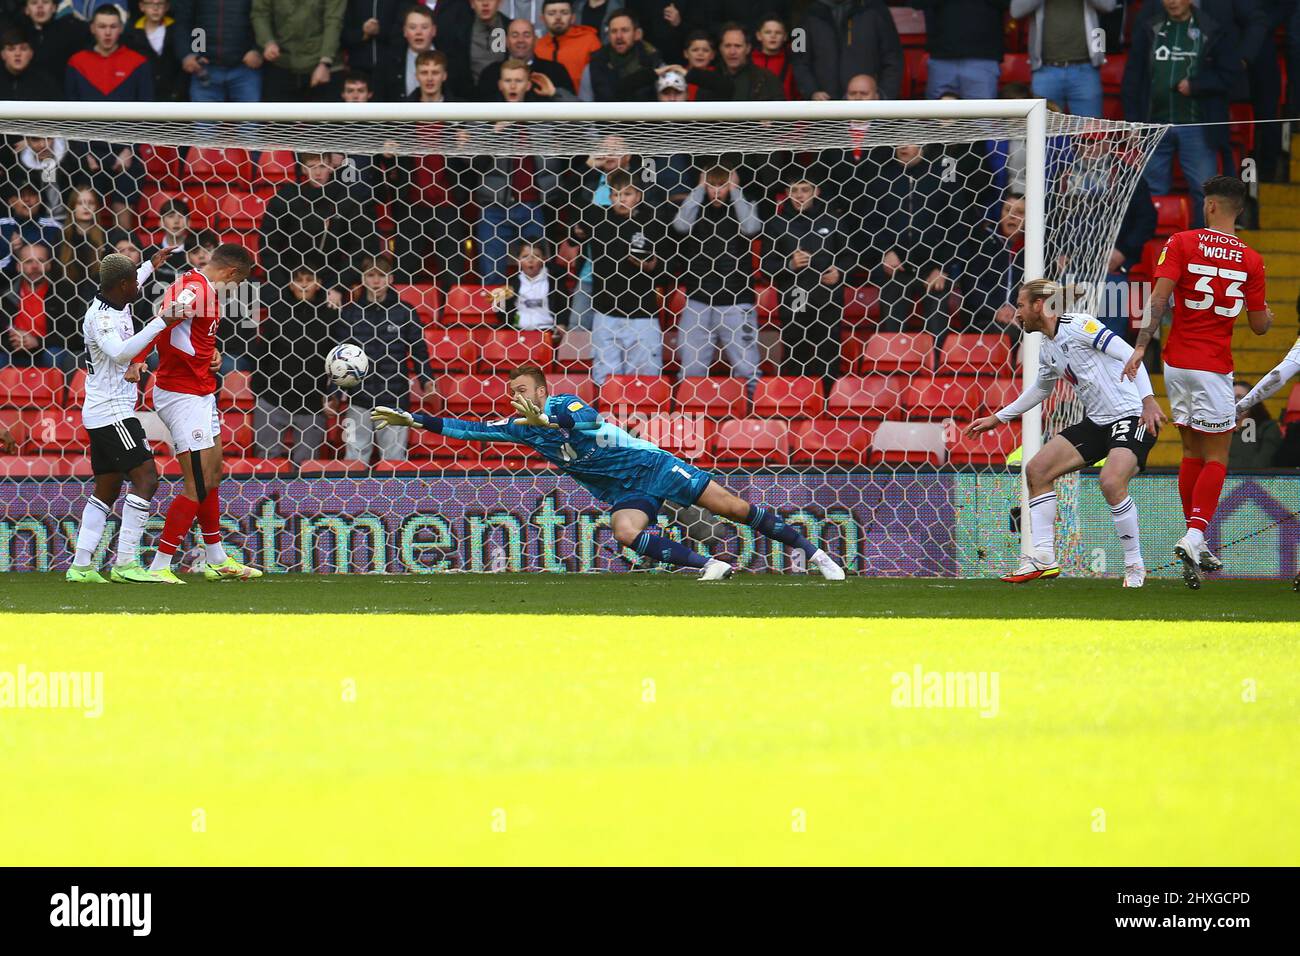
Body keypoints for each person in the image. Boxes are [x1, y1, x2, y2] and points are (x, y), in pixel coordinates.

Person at [370, 364, 847, 579]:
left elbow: (588, 421)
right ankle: (712, 566)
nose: (513, 395)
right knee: (624, 530)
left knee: (735, 508)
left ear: (539, 390)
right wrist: (415, 419)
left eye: (520, 388)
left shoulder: (561, 403)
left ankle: (815, 554)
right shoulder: (520, 428)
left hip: (652, 467)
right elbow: (468, 430)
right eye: (509, 389)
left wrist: (548, 419)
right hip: (623, 488)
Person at [1121, 176, 1270, 589]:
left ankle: (1196, 538)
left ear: (1209, 207)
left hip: (1176, 362)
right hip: (1213, 365)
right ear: (1238, 210)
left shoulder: (1182, 242)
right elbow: (1259, 327)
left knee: (1191, 449)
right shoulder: (1252, 260)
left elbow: (1158, 299)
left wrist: (1140, 346)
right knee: (1218, 454)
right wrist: (1269, 316)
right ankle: (1196, 533)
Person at [969, 281, 1163, 587]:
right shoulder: (1047, 349)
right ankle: (1044, 558)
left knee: (1111, 481)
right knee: (1037, 469)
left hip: (1133, 414)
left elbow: (1129, 352)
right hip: (1098, 422)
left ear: (1037, 306)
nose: (1016, 314)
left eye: (1019, 306)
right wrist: (998, 417)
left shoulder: (1081, 325)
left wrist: (1148, 401)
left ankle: (1134, 565)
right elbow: (1040, 390)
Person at [135, 242, 263, 583]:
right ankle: (160, 565)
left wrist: (210, 350)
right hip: (181, 395)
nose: (236, 289)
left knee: (213, 476)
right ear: (232, 274)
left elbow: (187, 331)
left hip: (201, 390)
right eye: (239, 283)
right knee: (197, 484)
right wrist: (137, 359)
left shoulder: (195, 282)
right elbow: (165, 320)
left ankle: (217, 558)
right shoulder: (196, 291)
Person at [66, 248, 186, 584]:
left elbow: (130, 282)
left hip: (105, 411)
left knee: (107, 488)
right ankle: (126, 562)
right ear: (122, 285)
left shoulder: (116, 299)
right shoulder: (101, 318)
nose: (139, 285)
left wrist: (150, 264)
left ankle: (81, 566)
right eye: (134, 280)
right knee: (147, 478)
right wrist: (164, 320)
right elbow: (119, 353)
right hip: (112, 413)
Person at [1121, 0, 1239, 227]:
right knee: (1150, 192)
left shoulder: (1212, 29)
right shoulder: (1150, 27)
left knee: (1205, 193)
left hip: (1197, 126)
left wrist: (1197, 85)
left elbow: (1230, 75)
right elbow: (1133, 78)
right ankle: (1155, 251)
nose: (1172, 2)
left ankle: (1201, 250)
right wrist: (1134, 123)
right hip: (1155, 126)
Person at [333, 253, 432, 463]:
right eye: (370, 275)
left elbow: (419, 351)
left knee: (394, 461)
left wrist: (427, 382)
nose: (376, 280)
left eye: (381, 275)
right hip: (358, 398)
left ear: (391, 278)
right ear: (362, 279)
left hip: (395, 400)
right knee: (354, 458)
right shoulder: (350, 314)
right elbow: (340, 359)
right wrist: (333, 393)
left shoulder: (405, 312)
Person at [671, 165, 763, 388]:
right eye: (712, 185)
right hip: (698, 298)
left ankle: (752, 413)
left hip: (736, 299)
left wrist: (735, 190)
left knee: (746, 365)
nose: (716, 191)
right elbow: (680, 226)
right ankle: (690, 412)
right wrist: (699, 189)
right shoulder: (696, 208)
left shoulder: (745, 204)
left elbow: (751, 228)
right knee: (691, 367)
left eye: (722, 185)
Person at [576, 167, 666, 384]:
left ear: (638, 195)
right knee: (606, 379)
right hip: (606, 313)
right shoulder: (597, 218)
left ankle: (640, 418)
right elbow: (572, 200)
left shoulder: (652, 221)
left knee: (643, 381)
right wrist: (592, 167)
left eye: (627, 194)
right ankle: (607, 418)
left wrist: (652, 266)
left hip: (642, 314)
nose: (621, 199)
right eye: (615, 194)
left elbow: (668, 265)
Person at [762, 174, 853, 384]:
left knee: (828, 351)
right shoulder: (777, 223)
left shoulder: (833, 219)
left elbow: (850, 257)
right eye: (794, 190)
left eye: (805, 189)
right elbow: (766, 268)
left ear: (816, 192)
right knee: (795, 349)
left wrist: (839, 272)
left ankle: (827, 404)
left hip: (827, 295)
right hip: (796, 294)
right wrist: (790, 265)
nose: (799, 195)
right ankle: (795, 401)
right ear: (786, 194)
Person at [249, 259, 333, 463]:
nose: (304, 284)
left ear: (319, 283)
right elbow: (263, 353)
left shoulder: (330, 315)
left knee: (307, 467)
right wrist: (261, 391)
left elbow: (336, 358)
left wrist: (329, 395)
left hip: (312, 403)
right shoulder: (278, 313)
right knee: (267, 463)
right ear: (290, 284)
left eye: (309, 279)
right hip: (273, 398)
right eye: (298, 280)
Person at [1011, 0, 1113, 117]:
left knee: (1089, 132)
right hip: (1045, 70)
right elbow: (1016, 11)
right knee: (1042, 131)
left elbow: (1108, 5)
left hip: (1085, 69)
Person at [792, 0, 904, 101]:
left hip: (869, 109)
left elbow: (893, 57)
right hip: (824, 108)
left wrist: (883, 94)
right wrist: (811, 91)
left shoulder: (876, 9)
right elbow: (798, 60)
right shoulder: (806, 14)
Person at [251, 0, 345, 102]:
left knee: (326, 115)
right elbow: (260, 14)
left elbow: (334, 22)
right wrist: (268, 42)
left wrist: (325, 62)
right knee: (276, 115)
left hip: (320, 66)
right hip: (281, 63)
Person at [172, 0, 264, 102]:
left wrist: (257, 50)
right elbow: (182, 21)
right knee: (204, 117)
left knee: (250, 117)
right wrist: (186, 54)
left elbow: (264, 17)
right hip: (203, 69)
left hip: (245, 69)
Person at [912, 0, 1005, 100]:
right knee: (939, 114)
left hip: (983, 58)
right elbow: (916, 3)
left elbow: (1009, 5)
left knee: (982, 114)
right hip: (942, 58)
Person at [490, 238, 570, 338]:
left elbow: (564, 305)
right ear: (518, 260)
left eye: (536, 256)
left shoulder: (555, 281)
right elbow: (500, 308)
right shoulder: (511, 282)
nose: (530, 260)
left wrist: (561, 323)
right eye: (525, 256)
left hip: (547, 331)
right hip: (518, 331)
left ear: (544, 259)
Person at [477, 17, 573, 98]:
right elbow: (477, 113)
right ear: (506, 41)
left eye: (526, 35)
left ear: (535, 40)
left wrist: (555, 93)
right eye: (515, 35)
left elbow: (574, 111)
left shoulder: (556, 71)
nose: (520, 40)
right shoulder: (490, 73)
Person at [372, 2, 436, 101]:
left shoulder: (451, 61)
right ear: (405, 31)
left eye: (424, 27)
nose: (418, 32)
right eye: (413, 27)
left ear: (434, 30)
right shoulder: (388, 62)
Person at [534, 0, 602, 92]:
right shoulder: (537, 46)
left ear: (573, 18)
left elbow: (601, 81)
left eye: (564, 13)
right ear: (542, 19)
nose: (558, 17)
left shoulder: (589, 41)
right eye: (551, 13)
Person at [124, 0, 182, 100]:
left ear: (167, 6)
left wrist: (178, 91)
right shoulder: (131, 33)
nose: (155, 8)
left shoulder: (176, 29)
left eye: (160, 3)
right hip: (142, 95)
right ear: (142, 6)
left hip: (173, 95)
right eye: (150, 3)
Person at [1228, 378, 1283, 469]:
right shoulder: (1220, 429)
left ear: (1253, 401)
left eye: (1240, 397)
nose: (1236, 402)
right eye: (1230, 398)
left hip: (1255, 480)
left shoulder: (1268, 428)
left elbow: (1263, 461)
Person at [0, 26, 62, 99]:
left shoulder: (46, 83)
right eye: (11, 49)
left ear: (31, 54)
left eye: (23, 49)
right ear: (2, 54)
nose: (17, 54)